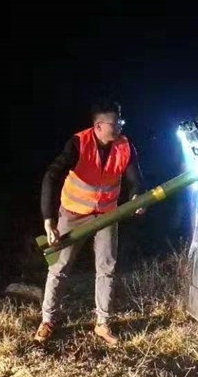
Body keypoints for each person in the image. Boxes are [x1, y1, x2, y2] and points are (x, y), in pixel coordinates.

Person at [35, 100, 145, 346]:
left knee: (107, 267)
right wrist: (48, 220)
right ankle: (47, 320)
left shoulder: (125, 146)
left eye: (121, 123)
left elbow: (136, 179)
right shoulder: (78, 143)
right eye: (115, 124)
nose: (119, 128)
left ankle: (103, 324)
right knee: (59, 268)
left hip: (107, 214)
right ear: (98, 126)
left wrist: (137, 197)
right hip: (73, 214)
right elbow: (51, 176)